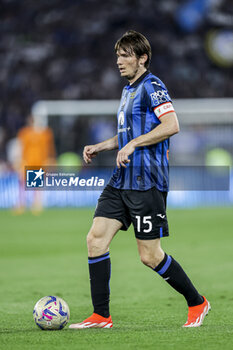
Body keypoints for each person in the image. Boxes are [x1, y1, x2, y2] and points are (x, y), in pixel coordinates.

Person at [69, 31, 210, 329]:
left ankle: (197, 302)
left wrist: (134, 145)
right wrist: (104, 146)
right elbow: (126, 136)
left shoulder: (152, 85)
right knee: (95, 239)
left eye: (125, 55)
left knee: (149, 256)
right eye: (117, 55)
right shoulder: (127, 90)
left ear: (142, 58)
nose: (119, 61)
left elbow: (172, 124)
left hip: (147, 181)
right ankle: (101, 315)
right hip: (121, 180)